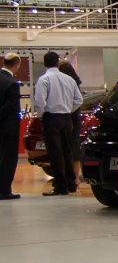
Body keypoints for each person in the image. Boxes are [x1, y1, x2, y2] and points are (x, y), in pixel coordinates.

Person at [34, 51, 82, 196]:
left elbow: (40, 101)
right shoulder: (69, 80)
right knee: (67, 151)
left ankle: (60, 186)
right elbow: (79, 100)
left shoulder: (44, 79)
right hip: (67, 118)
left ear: (44, 63)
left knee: (55, 153)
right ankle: (71, 184)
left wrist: (43, 115)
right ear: (57, 63)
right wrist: (68, 110)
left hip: (52, 118)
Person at [58, 61, 85, 184]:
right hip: (75, 117)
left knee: (70, 148)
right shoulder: (75, 84)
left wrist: (67, 110)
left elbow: (77, 101)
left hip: (70, 118)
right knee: (74, 147)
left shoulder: (67, 84)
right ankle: (75, 177)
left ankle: (73, 178)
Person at [0, 53, 22, 200]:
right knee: (8, 158)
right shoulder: (12, 83)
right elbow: (11, 107)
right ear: (16, 65)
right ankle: (5, 190)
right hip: (8, 127)